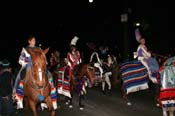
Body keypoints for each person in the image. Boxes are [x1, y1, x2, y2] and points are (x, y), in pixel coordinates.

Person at [13, 35, 57, 110]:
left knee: (49, 74)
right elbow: (21, 60)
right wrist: (26, 63)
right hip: (28, 66)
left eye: (35, 40)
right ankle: (15, 94)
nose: (34, 41)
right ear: (29, 41)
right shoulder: (25, 49)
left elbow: (43, 58)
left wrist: (43, 64)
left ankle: (52, 89)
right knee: (20, 75)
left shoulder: (38, 49)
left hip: (38, 66)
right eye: (33, 40)